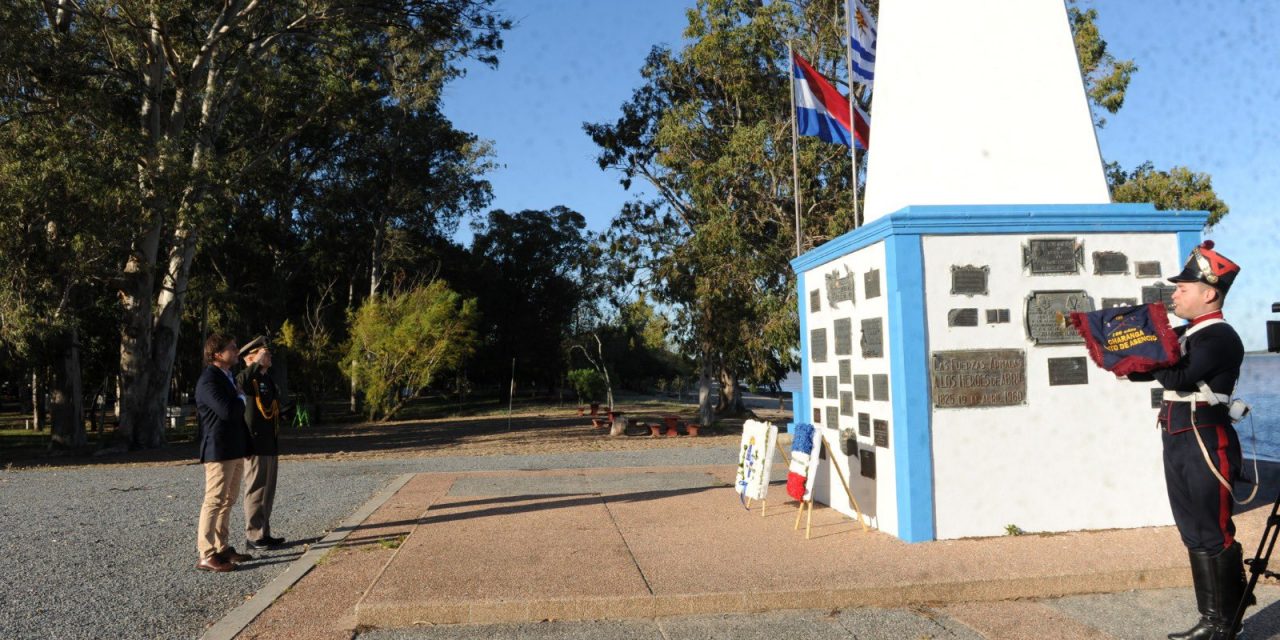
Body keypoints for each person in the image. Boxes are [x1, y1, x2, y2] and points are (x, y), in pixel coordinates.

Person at [1127, 241, 1249, 640]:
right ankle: (1215, 615)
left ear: (1209, 293)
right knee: (1192, 530)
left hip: (1204, 436)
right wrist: (1125, 353)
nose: (1174, 294)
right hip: (1176, 434)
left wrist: (1156, 349)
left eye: (1183, 288)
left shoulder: (1219, 337)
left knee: (1213, 530)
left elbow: (1177, 377)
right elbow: (1142, 372)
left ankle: (1222, 622)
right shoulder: (1185, 333)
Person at [194, 333, 255, 572]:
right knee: (214, 500)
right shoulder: (209, 381)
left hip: (234, 448)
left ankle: (222, 547)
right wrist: (241, 397)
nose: (237, 350)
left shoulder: (227, 377)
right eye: (232, 347)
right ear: (217, 354)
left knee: (228, 500)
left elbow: (238, 420)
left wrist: (247, 446)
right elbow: (228, 412)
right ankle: (206, 553)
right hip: (218, 450)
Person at [237, 335, 285, 550]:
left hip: (269, 442)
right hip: (254, 442)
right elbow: (240, 384)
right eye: (264, 353)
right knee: (255, 488)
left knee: (268, 490)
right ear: (251, 357)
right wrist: (255, 364)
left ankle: (264, 532)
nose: (269, 356)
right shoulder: (247, 378)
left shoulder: (266, 379)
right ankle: (253, 535)